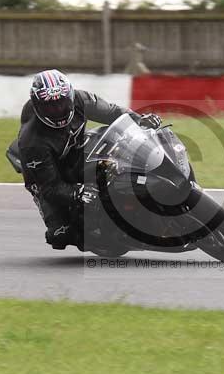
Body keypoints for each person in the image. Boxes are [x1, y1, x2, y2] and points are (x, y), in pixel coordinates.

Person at [17, 69, 161, 250]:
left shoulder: (81, 99)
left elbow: (113, 113)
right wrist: (77, 192)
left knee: (114, 157)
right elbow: (50, 187)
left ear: (69, 96)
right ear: (38, 106)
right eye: (50, 107)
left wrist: (140, 121)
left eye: (62, 103)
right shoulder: (32, 141)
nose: (58, 110)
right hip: (46, 175)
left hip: (75, 149)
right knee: (60, 234)